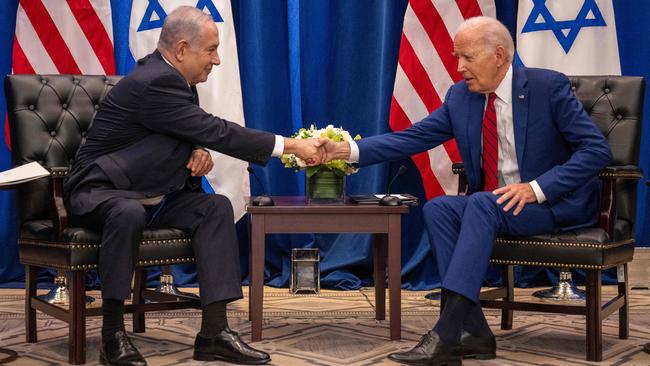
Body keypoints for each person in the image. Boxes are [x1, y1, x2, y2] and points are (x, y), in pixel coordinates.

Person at [319, 16, 612, 366]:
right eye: (457, 57)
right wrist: (345, 149)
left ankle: (446, 332)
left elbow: (596, 151)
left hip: (552, 204)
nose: (459, 68)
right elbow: (410, 138)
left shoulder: (547, 87)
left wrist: (537, 188)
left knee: (481, 204)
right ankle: (475, 334)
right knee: (439, 208)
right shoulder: (462, 97)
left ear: (499, 55)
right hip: (495, 205)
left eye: (467, 57)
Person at [64, 6, 321, 366]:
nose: (217, 60)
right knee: (127, 211)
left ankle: (214, 333)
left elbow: (178, 130)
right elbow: (216, 130)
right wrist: (290, 146)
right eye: (211, 50)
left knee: (215, 208)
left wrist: (196, 149)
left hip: (152, 193)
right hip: (102, 193)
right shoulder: (156, 80)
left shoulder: (177, 80)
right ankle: (113, 335)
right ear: (182, 49)